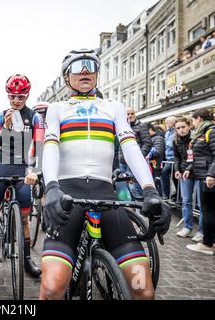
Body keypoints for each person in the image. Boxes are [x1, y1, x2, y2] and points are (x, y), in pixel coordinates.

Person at [40, 49, 170, 300]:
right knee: (51, 287)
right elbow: (51, 146)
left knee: (143, 288)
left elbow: (130, 147)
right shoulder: (57, 108)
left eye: (90, 65)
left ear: (98, 73)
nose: (85, 70)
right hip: (68, 194)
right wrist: (52, 186)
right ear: (67, 77)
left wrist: (150, 190)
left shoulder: (114, 107)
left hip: (106, 196)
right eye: (78, 67)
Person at [0, 74, 44, 280]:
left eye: (21, 97)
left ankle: (28, 259)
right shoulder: (2, 115)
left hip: (23, 169)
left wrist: (34, 171)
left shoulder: (35, 117)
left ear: (27, 95)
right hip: (1, 167)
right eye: (12, 96)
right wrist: (5, 127)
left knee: (24, 218)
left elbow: (39, 145)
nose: (16, 101)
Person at [185, 109, 215, 255]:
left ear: (199, 119)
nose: (193, 123)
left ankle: (208, 244)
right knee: (209, 210)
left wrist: (211, 174)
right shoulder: (203, 133)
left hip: (209, 178)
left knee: (208, 211)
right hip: (205, 175)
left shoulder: (210, 132)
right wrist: (190, 168)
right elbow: (201, 156)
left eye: (194, 120)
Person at [173, 117, 203, 241]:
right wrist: (176, 170)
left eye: (183, 127)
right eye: (178, 128)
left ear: (189, 126)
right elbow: (176, 157)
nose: (181, 130)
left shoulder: (196, 137)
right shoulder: (175, 140)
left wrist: (189, 168)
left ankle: (202, 231)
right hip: (185, 174)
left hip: (200, 171)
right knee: (186, 201)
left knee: (202, 204)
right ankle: (187, 227)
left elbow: (198, 156)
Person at [119, 108, 152, 200]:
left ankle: (141, 213)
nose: (130, 116)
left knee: (136, 190)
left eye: (132, 113)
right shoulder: (123, 127)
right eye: (128, 114)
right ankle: (133, 213)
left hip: (135, 163)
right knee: (128, 193)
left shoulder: (142, 126)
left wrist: (138, 157)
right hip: (124, 163)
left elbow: (147, 143)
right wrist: (120, 158)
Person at [162, 116, 177, 199]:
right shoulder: (167, 132)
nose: (165, 123)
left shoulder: (176, 131)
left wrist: (168, 145)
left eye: (167, 122)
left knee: (165, 172)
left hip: (174, 158)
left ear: (173, 123)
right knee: (173, 176)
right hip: (168, 158)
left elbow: (171, 144)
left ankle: (167, 194)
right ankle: (173, 194)